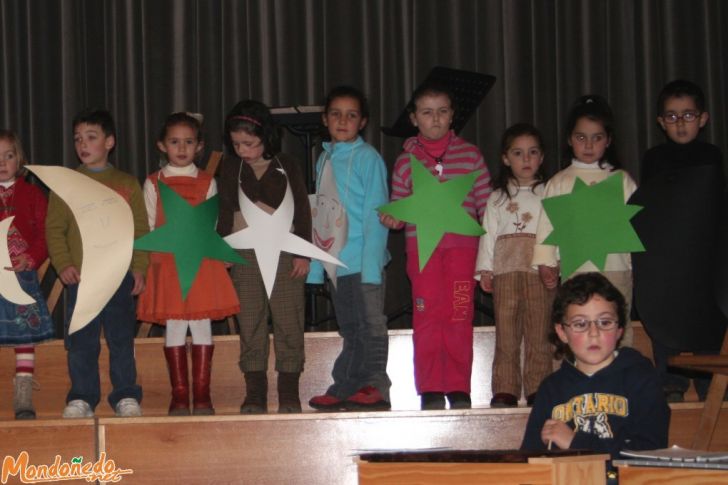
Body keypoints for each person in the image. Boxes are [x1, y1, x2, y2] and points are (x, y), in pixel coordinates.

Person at [381, 81, 491, 410]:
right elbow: (399, 207)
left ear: (453, 116)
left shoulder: (470, 155)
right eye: (427, 113)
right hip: (422, 252)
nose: (436, 119)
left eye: (442, 111)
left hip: (463, 250)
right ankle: (429, 387)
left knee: (459, 315)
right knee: (426, 318)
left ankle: (458, 387)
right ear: (414, 118)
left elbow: (487, 206)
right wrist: (393, 218)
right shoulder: (405, 162)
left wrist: (492, 251)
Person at [46, 108, 149, 418]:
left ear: (110, 142)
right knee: (81, 342)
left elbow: (141, 231)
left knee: (121, 338)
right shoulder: (67, 183)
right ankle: (82, 397)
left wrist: (139, 267)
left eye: (91, 137)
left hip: (117, 277)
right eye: (78, 139)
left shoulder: (127, 183)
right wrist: (63, 264)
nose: (83, 144)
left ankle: (125, 395)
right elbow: (54, 229)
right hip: (82, 278)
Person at [137, 112, 239, 416]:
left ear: (199, 147)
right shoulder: (153, 183)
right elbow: (150, 225)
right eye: (174, 141)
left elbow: (212, 223)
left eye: (189, 142)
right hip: (168, 264)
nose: (181, 148)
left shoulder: (207, 181)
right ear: (162, 145)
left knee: (201, 322)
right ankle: (180, 394)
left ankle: (203, 393)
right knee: (176, 324)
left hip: (200, 263)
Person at [633, 80, 726, 402]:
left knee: (706, 315)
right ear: (661, 122)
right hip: (667, 257)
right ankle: (670, 380)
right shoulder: (655, 159)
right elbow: (650, 209)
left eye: (687, 115)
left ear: (703, 118)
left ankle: (709, 382)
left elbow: (713, 207)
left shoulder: (710, 155)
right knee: (664, 312)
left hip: (702, 256)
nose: (680, 122)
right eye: (672, 117)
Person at [218, 100, 311, 414]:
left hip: (283, 250)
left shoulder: (287, 164)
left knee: (288, 320)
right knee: (251, 321)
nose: (243, 150)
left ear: (266, 137)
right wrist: (222, 247)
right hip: (244, 252)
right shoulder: (231, 167)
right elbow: (224, 210)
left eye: (250, 143)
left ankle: (288, 393)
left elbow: (301, 208)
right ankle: (255, 393)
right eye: (236, 144)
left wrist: (302, 251)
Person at [521, 273, 669, 462]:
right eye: (580, 324)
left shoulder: (642, 379)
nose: (594, 333)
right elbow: (530, 458)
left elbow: (650, 452)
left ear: (619, 330)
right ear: (562, 332)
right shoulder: (551, 389)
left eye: (605, 322)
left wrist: (576, 442)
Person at [307, 86, 391, 411]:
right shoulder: (324, 159)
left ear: (363, 121)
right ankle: (347, 386)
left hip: (363, 261)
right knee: (350, 327)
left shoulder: (368, 158)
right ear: (325, 119)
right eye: (336, 114)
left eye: (351, 115)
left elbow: (376, 213)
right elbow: (322, 216)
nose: (343, 120)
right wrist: (317, 267)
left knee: (371, 324)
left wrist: (371, 266)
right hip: (336, 263)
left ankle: (375, 385)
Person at [532, 95, 637, 346]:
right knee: (578, 323)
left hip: (616, 267)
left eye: (597, 138)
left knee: (616, 323)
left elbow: (637, 225)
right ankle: (580, 380)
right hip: (575, 269)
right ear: (570, 139)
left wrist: (637, 265)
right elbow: (547, 223)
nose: (588, 145)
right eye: (581, 137)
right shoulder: (559, 181)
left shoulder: (622, 179)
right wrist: (546, 261)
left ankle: (619, 379)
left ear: (608, 140)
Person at [475, 123, 554, 408]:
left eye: (533, 152)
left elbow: (557, 231)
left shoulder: (550, 193)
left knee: (539, 332)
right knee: (506, 334)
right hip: (506, 272)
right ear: (506, 158)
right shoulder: (497, 197)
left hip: (539, 272)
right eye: (518, 153)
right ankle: (505, 388)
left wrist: (555, 264)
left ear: (541, 157)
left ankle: (539, 388)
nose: (526, 159)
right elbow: (488, 235)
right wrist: (486, 269)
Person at [0, 130, 54, 419]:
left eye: (8, 155)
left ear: (18, 159)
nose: (2, 162)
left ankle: (23, 389)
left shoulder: (32, 194)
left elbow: (46, 236)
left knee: (23, 332)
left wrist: (31, 258)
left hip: (21, 274)